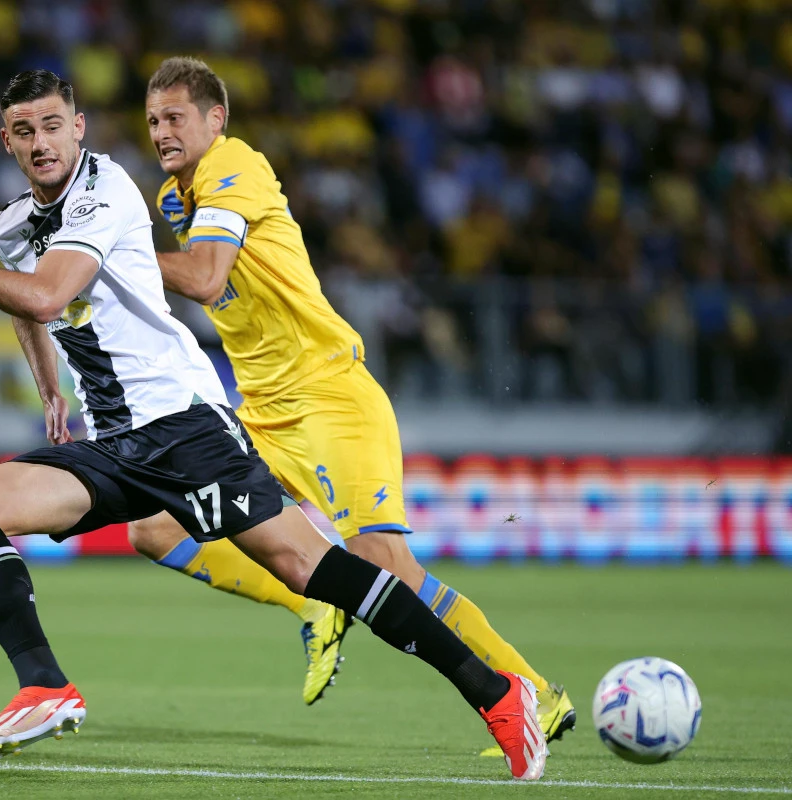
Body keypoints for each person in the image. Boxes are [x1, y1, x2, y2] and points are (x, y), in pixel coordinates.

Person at [0, 69, 547, 781]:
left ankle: (498, 695)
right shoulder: (13, 224)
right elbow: (26, 305)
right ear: (4, 141)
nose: (40, 143)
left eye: (51, 126)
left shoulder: (105, 193)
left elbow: (44, 296)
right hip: (113, 443)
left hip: (184, 428)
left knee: (311, 569)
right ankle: (44, 687)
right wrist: (48, 386)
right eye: (23, 131)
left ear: (78, 129)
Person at [132, 56, 575, 756]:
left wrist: (111, 255)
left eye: (175, 117)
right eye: (153, 119)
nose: (160, 131)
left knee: (389, 567)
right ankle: (313, 601)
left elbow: (208, 278)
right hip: (262, 411)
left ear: (215, 120)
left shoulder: (234, 167)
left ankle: (536, 695)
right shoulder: (173, 199)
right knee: (155, 525)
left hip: (328, 395)